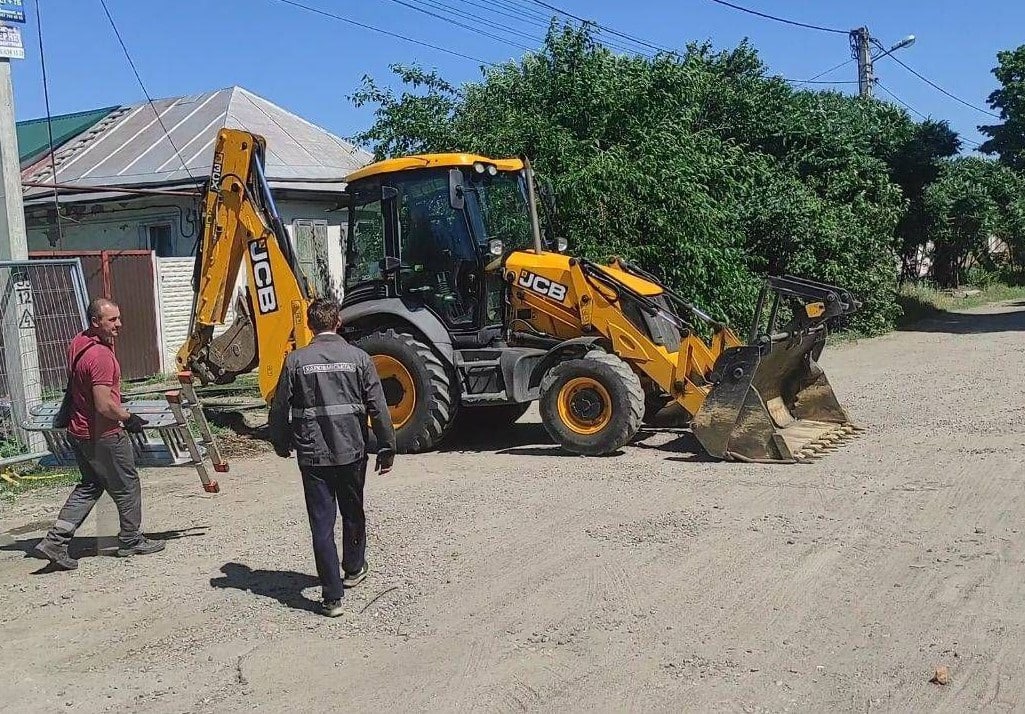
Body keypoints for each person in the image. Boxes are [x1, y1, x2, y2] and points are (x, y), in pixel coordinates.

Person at [269, 297, 396, 617]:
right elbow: (378, 407)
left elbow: (280, 406)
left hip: (314, 456)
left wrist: (280, 441)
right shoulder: (359, 358)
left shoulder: (296, 361)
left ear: (310, 325)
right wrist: (386, 446)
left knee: (321, 524)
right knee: (353, 511)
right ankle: (353, 568)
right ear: (337, 322)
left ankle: (332, 597)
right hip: (351, 451)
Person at [34, 298, 165, 571]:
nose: (119, 324)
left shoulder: (78, 343)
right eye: (113, 320)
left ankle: (55, 541)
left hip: (79, 430)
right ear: (96, 322)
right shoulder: (101, 356)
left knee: (90, 485)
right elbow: (104, 405)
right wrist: (129, 418)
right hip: (103, 434)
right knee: (127, 484)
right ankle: (130, 539)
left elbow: (85, 387)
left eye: (118, 318)